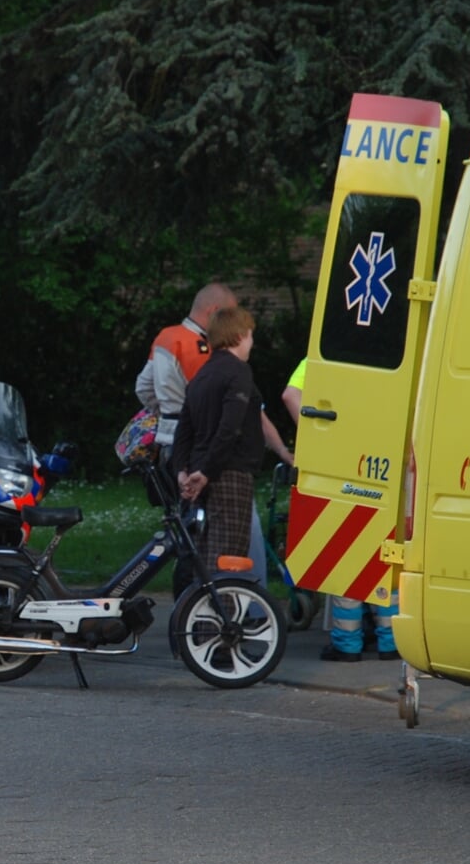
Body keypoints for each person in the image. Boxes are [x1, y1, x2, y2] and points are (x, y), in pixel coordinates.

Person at [135, 283, 290, 585]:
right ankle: (245, 606)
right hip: (217, 460)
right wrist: (281, 450)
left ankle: (190, 608)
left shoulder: (167, 338)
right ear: (216, 315)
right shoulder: (210, 358)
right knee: (232, 540)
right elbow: (233, 422)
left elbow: (142, 387)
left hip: (176, 450)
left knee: (193, 538)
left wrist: (166, 411)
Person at [281, 358, 395, 661]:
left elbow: (290, 395)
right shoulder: (400, 350)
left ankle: (348, 644)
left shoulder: (327, 355)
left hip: (343, 458)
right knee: (386, 551)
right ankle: (390, 640)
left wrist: (319, 438)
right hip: (386, 460)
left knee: (346, 552)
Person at [173, 304, 273, 571]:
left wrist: (182, 471)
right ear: (239, 335)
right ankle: (222, 610)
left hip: (199, 473)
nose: (252, 342)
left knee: (205, 554)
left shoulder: (201, 376)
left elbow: (184, 430)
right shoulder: (238, 372)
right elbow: (230, 427)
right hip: (229, 473)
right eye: (251, 335)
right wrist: (207, 471)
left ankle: (199, 609)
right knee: (228, 559)